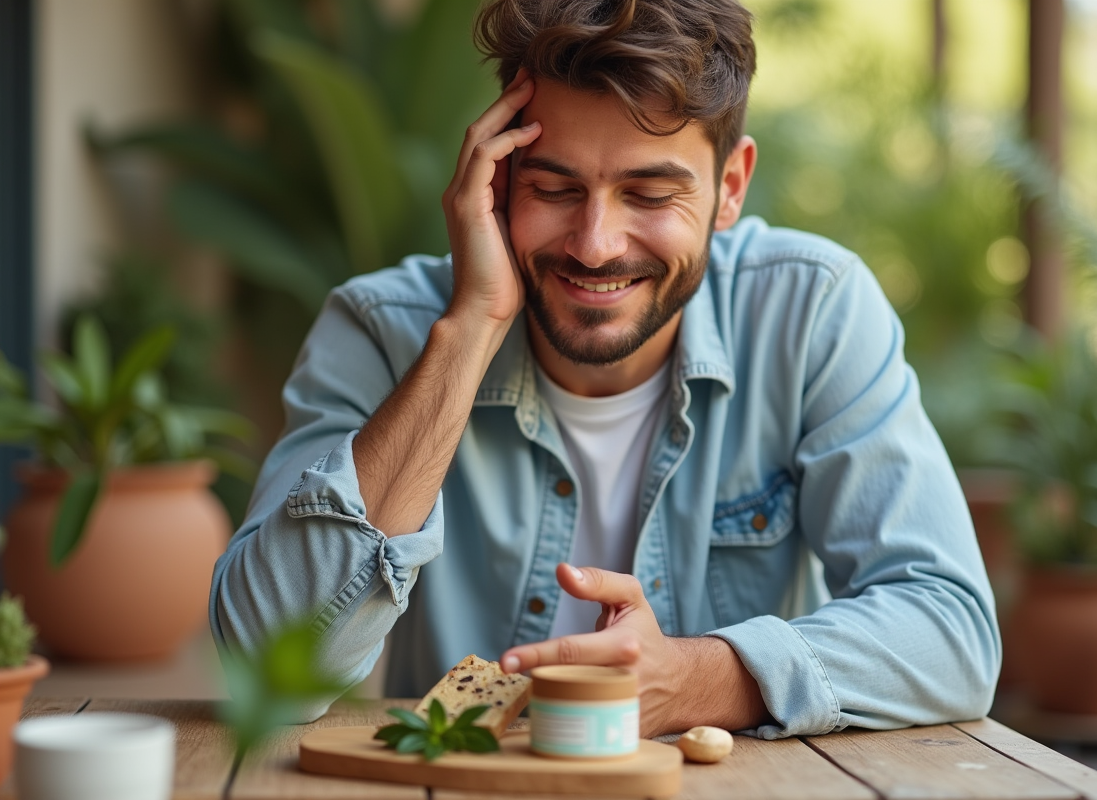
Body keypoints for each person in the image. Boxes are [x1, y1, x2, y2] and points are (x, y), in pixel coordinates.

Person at [210, 0, 1000, 739]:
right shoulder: (381, 331)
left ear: (729, 188)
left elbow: (950, 633)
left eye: (650, 193)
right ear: (494, 183)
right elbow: (272, 669)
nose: (595, 243)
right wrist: (468, 332)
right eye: (554, 187)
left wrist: (695, 679)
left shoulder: (812, 311)